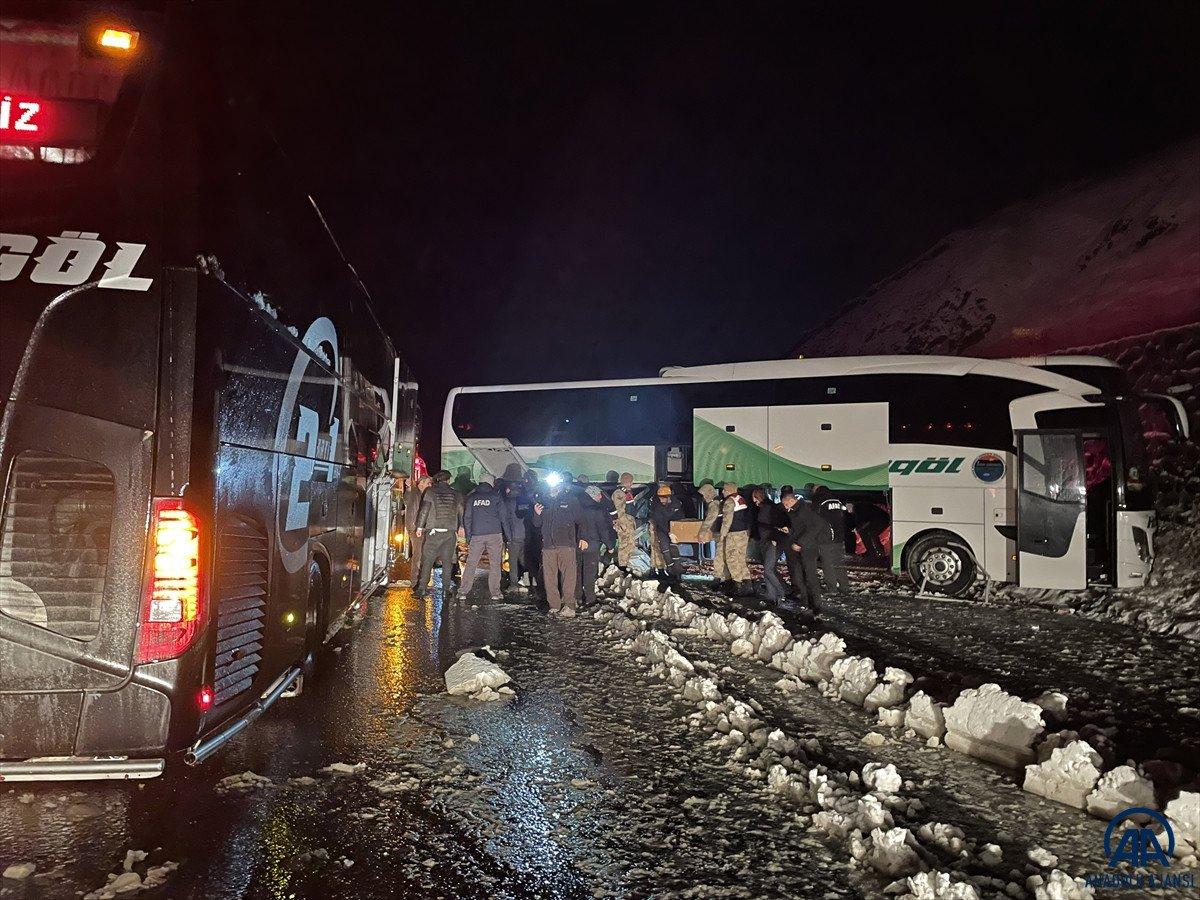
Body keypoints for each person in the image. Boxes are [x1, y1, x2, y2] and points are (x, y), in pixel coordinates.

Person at [533, 481, 584, 617]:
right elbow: (537, 524)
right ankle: (554, 605)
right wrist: (537, 514)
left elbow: (581, 520)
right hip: (549, 546)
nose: (553, 487)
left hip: (566, 545)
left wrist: (582, 538)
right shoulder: (543, 501)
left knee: (569, 576)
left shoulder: (571, 500)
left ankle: (569, 605)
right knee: (549, 577)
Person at [413, 470, 463, 600]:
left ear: (437, 480)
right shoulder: (456, 494)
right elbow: (461, 511)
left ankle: (422, 589)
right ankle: (446, 590)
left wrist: (419, 527)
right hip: (449, 532)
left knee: (428, 560)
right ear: (448, 480)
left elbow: (424, 510)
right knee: (447, 562)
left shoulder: (430, 492)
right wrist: (461, 526)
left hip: (433, 531)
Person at [459, 473, 509, 600]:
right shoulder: (496, 496)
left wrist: (469, 537)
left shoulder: (472, 498)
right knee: (495, 564)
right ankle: (495, 593)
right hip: (494, 534)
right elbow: (504, 517)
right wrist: (507, 536)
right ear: (491, 483)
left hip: (477, 535)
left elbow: (467, 518)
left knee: (471, 563)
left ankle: (463, 592)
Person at [780, 491, 829, 609]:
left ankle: (815, 603)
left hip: (808, 548)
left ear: (791, 501)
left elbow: (814, 527)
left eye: (785, 504)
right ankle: (807, 601)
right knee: (801, 575)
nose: (785, 507)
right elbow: (801, 529)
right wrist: (790, 532)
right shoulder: (797, 510)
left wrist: (799, 542)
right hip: (803, 547)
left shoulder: (803, 510)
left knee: (810, 575)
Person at [576, 485, 615, 607]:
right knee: (590, 572)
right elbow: (603, 529)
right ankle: (590, 597)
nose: (600, 496)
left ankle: (577, 597)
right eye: (598, 494)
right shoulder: (597, 509)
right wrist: (609, 545)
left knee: (577, 571)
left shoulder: (577, 506)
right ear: (592, 496)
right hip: (592, 544)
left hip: (577, 544)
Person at [752, 487, 789, 603]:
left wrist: (773, 538)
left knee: (768, 569)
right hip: (768, 540)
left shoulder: (767, 508)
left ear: (758, 497)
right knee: (769, 568)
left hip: (771, 541)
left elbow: (772, 525)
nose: (753, 501)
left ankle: (782, 592)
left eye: (754, 498)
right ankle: (771, 594)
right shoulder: (768, 507)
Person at [813, 486, 851, 592]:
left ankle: (832, 588)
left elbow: (814, 520)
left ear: (817, 490)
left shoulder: (819, 501)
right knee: (839, 563)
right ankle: (844, 586)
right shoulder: (837, 501)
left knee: (827, 564)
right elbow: (844, 517)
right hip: (839, 537)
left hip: (826, 539)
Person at [718, 482, 753, 595]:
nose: (722, 492)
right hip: (743, 533)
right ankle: (748, 584)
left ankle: (737, 585)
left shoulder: (729, 501)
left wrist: (723, 534)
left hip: (733, 534)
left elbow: (727, 520)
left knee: (732, 558)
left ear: (728, 490)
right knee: (741, 558)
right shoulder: (740, 499)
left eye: (724, 490)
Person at [649, 483, 685, 581]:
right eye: (660, 497)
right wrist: (669, 532)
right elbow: (659, 521)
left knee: (673, 548)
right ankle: (670, 570)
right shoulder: (657, 508)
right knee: (665, 550)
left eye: (663, 497)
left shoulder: (676, 504)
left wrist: (674, 531)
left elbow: (680, 518)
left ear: (669, 497)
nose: (661, 500)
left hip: (674, 530)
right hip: (663, 530)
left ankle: (677, 570)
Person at [503, 480, 534, 592]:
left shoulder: (508, 502)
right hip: (526, 536)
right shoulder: (527, 502)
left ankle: (513, 584)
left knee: (513, 561)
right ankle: (532, 579)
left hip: (514, 536)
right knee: (525, 559)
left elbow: (505, 521)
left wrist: (508, 537)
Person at [404, 474, 432, 586]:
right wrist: (408, 486)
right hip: (415, 527)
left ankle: (420, 580)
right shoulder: (414, 492)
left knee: (423, 554)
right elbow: (407, 497)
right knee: (418, 554)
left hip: (423, 528)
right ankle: (415, 581)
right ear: (421, 483)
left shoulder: (426, 494)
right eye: (428, 483)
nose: (430, 485)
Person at [611, 472, 638, 570]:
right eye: (630, 482)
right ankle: (622, 567)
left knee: (629, 545)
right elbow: (619, 510)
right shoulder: (619, 493)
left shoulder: (625, 492)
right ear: (627, 482)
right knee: (624, 545)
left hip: (628, 523)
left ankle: (626, 566)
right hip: (624, 524)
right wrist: (622, 523)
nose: (631, 484)